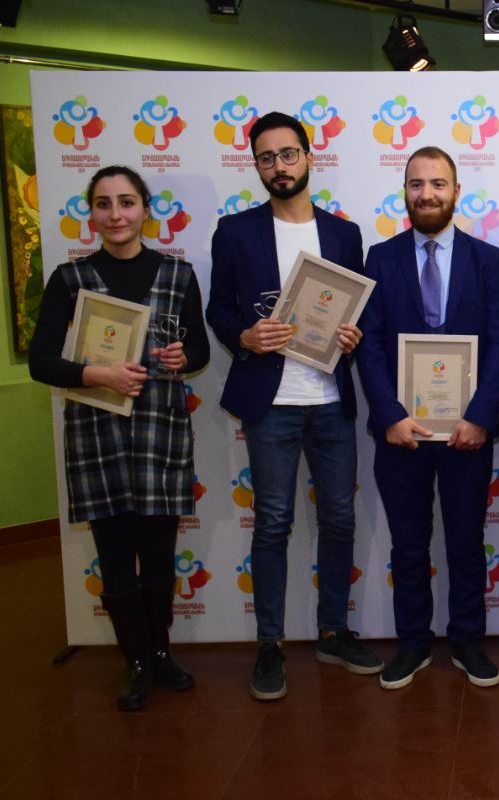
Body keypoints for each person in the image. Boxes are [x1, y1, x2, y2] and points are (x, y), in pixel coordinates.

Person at [206, 111, 379, 701]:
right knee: (273, 523)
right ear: (256, 166)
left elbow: (357, 312)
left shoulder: (344, 234)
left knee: (340, 519)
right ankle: (269, 645)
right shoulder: (235, 231)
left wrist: (352, 336)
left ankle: (333, 632)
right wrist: (244, 335)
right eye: (266, 158)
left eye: (287, 154)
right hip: (271, 401)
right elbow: (218, 309)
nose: (278, 166)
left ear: (309, 156)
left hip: (331, 398)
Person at [29, 165, 209, 710]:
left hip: (160, 433)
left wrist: (182, 357)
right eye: (104, 204)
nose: (116, 214)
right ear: (91, 214)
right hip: (95, 434)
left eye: (126, 202)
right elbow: (41, 361)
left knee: (158, 556)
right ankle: (134, 662)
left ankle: (160, 653)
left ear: (145, 210)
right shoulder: (69, 279)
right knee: (113, 555)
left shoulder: (178, 275)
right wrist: (97, 374)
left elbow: (199, 351)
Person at [355, 146, 499, 689]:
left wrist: (480, 415)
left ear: (456, 191)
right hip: (401, 433)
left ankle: (468, 641)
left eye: (438, 184)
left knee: (466, 542)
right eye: (416, 184)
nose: (427, 194)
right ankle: (413, 644)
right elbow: (370, 343)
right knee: (408, 545)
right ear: (404, 192)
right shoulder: (380, 258)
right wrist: (390, 415)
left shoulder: (487, 259)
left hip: (467, 433)